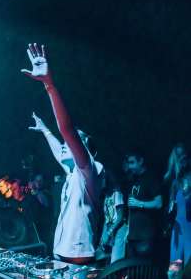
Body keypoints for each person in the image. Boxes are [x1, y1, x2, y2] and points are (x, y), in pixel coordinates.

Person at [23, 43, 103, 264]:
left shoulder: (90, 170)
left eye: (75, 141)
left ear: (85, 148)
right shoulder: (73, 173)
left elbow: (67, 131)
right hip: (62, 252)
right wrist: (45, 130)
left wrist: (49, 85)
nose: (67, 143)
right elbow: (60, 151)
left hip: (78, 256)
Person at [122, 151, 163, 260]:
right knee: (132, 269)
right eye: (128, 163)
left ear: (141, 161)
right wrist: (127, 231)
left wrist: (139, 204)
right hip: (132, 236)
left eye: (132, 162)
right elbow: (130, 209)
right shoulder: (133, 180)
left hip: (145, 236)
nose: (130, 166)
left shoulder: (150, 178)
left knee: (144, 268)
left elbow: (159, 203)